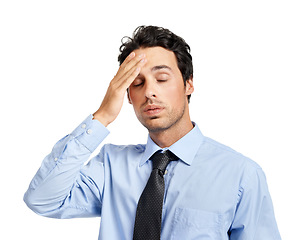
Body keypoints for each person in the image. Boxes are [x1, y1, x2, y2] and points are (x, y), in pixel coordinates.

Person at [24, 25, 281, 240]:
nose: (149, 92)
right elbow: (43, 199)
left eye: (162, 78)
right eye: (136, 83)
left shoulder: (240, 175)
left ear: (188, 83)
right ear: (127, 96)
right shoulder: (111, 166)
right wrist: (102, 116)